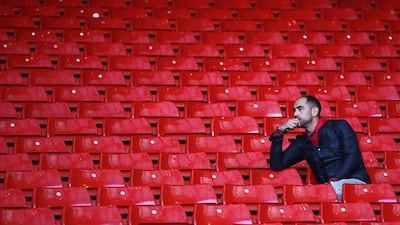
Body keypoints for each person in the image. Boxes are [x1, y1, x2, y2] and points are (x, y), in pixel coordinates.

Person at [269, 95, 370, 201]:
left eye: (300, 109)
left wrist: (334, 180)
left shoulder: (339, 126)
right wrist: (280, 131)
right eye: (294, 110)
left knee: (324, 193)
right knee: (302, 198)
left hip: (353, 182)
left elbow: (353, 156)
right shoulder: (302, 142)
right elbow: (277, 165)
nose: (295, 114)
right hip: (327, 191)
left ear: (314, 112)